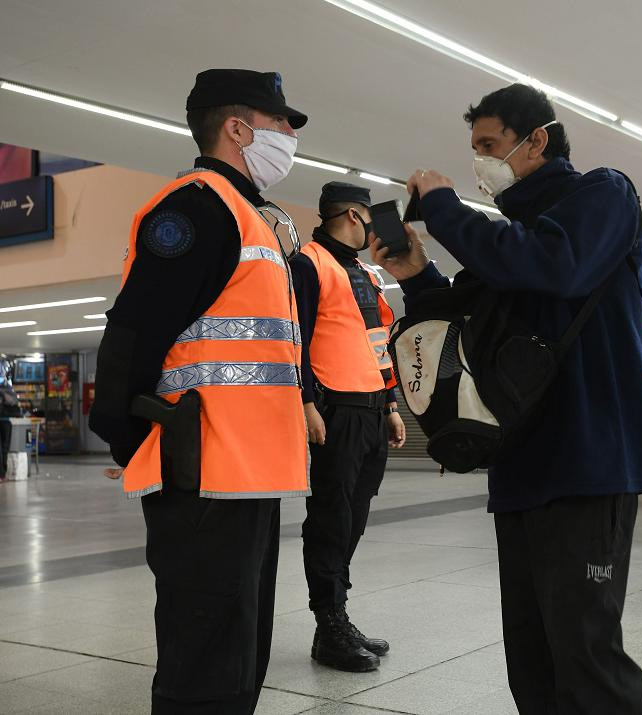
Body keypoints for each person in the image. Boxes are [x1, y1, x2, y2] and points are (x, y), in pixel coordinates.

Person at [373, 83, 642, 714]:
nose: (481, 160)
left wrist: (447, 208)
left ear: (538, 139)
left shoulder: (603, 194)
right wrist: (417, 275)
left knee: (587, 657)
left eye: (490, 145)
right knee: (531, 657)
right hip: (523, 467)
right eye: (474, 148)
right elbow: (470, 324)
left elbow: (557, 267)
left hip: (591, 462)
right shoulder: (507, 238)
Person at [89, 69, 309, 713]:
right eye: (280, 123)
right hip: (202, 469)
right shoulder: (196, 207)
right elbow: (133, 333)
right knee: (206, 657)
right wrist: (137, 440)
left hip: (245, 474)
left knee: (237, 650)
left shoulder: (248, 216)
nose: (290, 135)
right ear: (237, 128)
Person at [290, 181, 407, 673]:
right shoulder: (307, 263)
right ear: (357, 216)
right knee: (332, 517)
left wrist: (391, 402)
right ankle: (328, 621)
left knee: (354, 515)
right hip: (335, 410)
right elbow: (293, 337)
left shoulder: (364, 272)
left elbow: (378, 339)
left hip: (373, 410)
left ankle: (336, 615)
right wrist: (306, 403)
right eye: (373, 220)